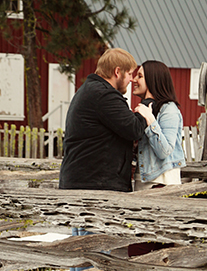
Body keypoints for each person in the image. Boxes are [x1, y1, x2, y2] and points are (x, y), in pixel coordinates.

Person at [58, 48, 153, 192]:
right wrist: (147, 104)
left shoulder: (91, 90)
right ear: (117, 72)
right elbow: (134, 129)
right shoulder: (104, 95)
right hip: (94, 186)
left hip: (85, 182)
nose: (131, 79)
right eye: (129, 74)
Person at [131, 60, 186, 190]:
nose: (134, 80)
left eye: (140, 76)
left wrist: (150, 120)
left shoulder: (169, 109)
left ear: (152, 79)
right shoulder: (147, 107)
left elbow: (164, 151)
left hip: (161, 183)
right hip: (144, 182)